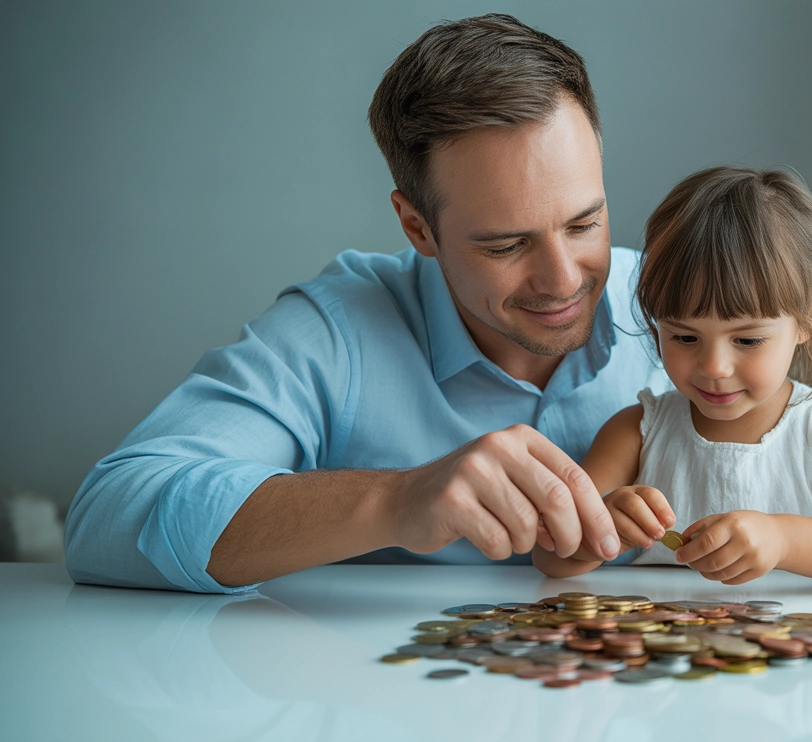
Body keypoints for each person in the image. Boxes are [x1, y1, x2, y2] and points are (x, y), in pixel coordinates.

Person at [63, 14, 669, 593]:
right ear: (417, 227)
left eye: (584, 225)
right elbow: (107, 518)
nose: (563, 279)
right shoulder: (337, 332)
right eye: (507, 244)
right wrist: (397, 500)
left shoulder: (682, 308)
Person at [533, 167, 812, 589]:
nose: (714, 367)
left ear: (807, 319)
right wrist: (601, 529)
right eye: (684, 336)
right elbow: (550, 557)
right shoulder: (636, 431)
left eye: (747, 340)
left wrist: (782, 539)